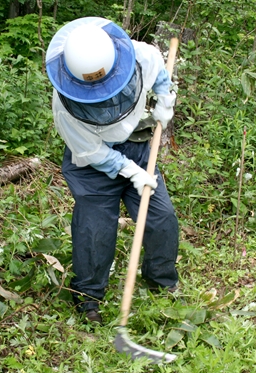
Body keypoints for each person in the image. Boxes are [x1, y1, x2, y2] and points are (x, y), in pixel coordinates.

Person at [45, 17, 179, 324]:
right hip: (93, 166)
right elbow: (91, 151)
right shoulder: (65, 107)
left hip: (139, 147)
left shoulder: (140, 54)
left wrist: (164, 99)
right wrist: (128, 171)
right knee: (94, 231)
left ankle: (161, 280)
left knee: (162, 218)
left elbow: (159, 68)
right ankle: (89, 297)